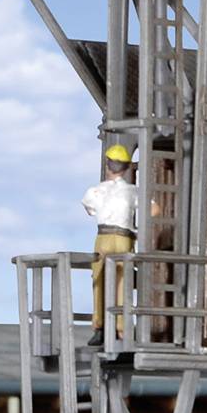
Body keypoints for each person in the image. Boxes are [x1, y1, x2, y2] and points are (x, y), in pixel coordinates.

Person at [81, 143, 139, 342]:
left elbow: (89, 210)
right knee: (123, 282)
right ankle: (122, 329)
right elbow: (154, 210)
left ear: (107, 165)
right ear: (127, 167)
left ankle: (99, 326)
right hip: (124, 238)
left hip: (103, 237)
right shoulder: (133, 191)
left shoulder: (96, 191)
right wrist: (136, 229)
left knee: (98, 279)